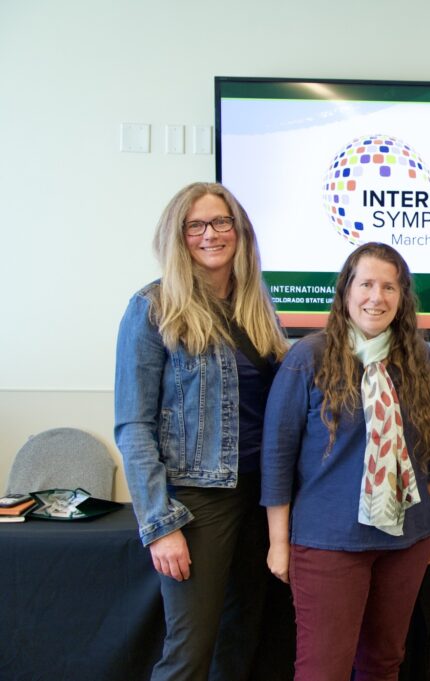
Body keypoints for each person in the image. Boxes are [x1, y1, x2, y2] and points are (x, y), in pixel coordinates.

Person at [114, 182, 288, 681]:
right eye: (196, 225)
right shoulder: (152, 308)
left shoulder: (257, 306)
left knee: (242, 639)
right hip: (197, 502)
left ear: (240, 231)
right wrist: (160, 525)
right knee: (189, 651)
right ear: (178, 235)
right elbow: (133, 427)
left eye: (222, 222)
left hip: (261, 497)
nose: (211, 234)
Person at [261, 241, 430, 681]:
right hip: (328, 543)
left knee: (383, 664)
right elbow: (277, 455)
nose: (376, 297)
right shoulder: (309, 356)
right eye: (366, 284)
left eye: (389, 287)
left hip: (406, 540)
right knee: (324, 670)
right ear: (346, 291)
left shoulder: (418, 357)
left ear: (402, 299)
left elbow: (429, 450)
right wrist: (278, 542)